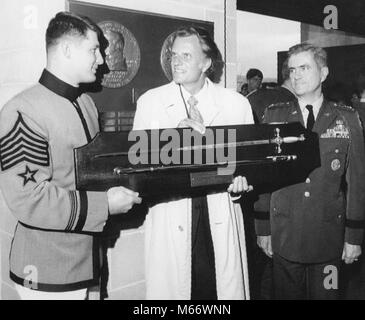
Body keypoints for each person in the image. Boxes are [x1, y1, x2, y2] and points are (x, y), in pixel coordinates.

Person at [0, 12, 141, 300]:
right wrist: (106, 205)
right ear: (66, 50)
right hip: (48, 269)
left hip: (88, 261)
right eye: (93, 49)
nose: (101, 59)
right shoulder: (23, 110)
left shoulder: (86, 103)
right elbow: (29, 199)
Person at [133, 26, 254, 299]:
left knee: (217, 289)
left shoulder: (236, 104)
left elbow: (245, 166)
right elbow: (139, 170)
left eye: (186, 55)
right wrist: (174, 143)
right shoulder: (150, 103)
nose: (176, 61)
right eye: (174, 55)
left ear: (207, 63)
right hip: (172, 211)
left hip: (219, 210)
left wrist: (240, 184)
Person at [255, 43, 365, 300]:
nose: (296, 75)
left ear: (324, 73)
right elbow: (263, 179)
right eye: (292, 69)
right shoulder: (274, 117)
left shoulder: (346, 118)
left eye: (304, 68)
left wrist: (354, 237)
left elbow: (358, 182)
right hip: (285, 234)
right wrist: (263, 230)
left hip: (328, 237)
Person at [248, 59, 296, 123]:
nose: (258, 83)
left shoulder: (254, 97)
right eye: (255, 79)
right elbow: (232, 129)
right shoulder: (246, 99)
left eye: (260, 80)